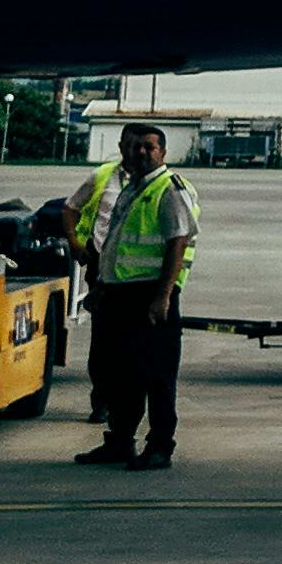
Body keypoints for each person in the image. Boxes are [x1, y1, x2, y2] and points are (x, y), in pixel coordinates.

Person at [76, 121, 198, 472]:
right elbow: (116, 244)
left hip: (149, 295)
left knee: (157, 375)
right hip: (119, 294)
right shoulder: (132, 189)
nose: (141, 152)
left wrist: (163, 297)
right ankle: (120, 441)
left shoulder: (168, 189)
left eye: (149, 146)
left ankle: (160, 446)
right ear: (125, 150)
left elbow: (178, 242)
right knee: (122, 374)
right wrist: (100, 288)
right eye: (135, 146)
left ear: (162, 153)